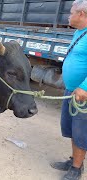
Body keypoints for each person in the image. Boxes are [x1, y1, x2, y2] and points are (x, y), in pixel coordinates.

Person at [50, 0, 87, 180]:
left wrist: (85, 87)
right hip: (72, 90)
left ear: (81, 14)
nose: (68, 16)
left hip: (82, 95)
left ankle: (76, 169)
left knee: (81, 131)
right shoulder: (80, 33)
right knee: (72, 129)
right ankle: (75, 161)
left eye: (71, 12)